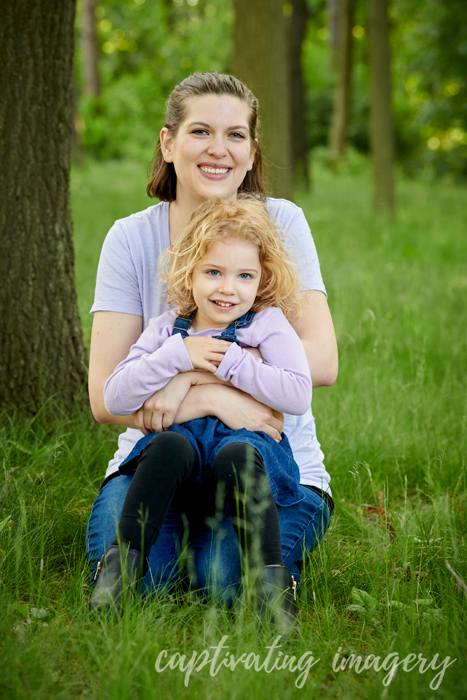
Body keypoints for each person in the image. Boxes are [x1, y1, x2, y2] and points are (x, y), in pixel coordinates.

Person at [86, 71, 338, 611]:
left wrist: (194, 377)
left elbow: (321, 361)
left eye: (236, 135)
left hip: (263, 449)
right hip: (158, 450)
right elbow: (105, 398)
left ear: (251, 153)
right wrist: (205, 397)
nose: (218, 150)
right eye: (200, 131)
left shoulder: (281, 223)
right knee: (142, 584)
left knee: (223, 582)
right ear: (168, 142)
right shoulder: (131, 238)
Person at [90, 197, 312, 628]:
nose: (228, 288)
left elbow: (298, 393)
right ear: (188, 271)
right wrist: (177, 356)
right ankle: (119, 574)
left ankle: (272, 593)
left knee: (239, 458)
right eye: (213, 272)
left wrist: (231, 363)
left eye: (244, 275)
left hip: (241, 446)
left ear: (262, 277)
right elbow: (115, 396)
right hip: (181, 457)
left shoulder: (266, 325)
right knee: (167, 444)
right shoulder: (169, 328)